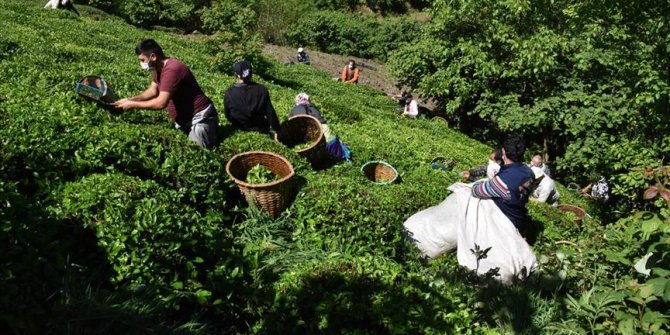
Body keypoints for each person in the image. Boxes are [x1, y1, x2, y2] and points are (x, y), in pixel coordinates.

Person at [114, 39, 218, 149]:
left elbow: (161, 103)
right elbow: (153, 90)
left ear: (153, 56)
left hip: (199, 118)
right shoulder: (157, 67)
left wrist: (132, 105)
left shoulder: (172, 69)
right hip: (184, 120)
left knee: (201, 152)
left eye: (142, 60)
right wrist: (130, 100)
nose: (141, 63)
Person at [471, 135, 535, 235]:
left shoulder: (502, 181)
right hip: (520, 217)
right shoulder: (529, 173)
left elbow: (476, 191)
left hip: (505, 224)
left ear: (503, 151)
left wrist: (478, 181)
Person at [289, 93, 351, 161]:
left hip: (305, 136)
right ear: (308, 100)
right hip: (324, 131)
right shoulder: (313, 107)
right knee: (333, 143)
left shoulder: (294, 110)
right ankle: (342, 158)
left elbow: (291, 123)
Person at [223, 60, 280, 134]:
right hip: (260, 129)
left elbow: (228, 115)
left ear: (236, 75)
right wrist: (278, 129)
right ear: (251, 74)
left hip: (239, 128)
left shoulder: (229, 92)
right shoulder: (262, 89)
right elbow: (270, 113)